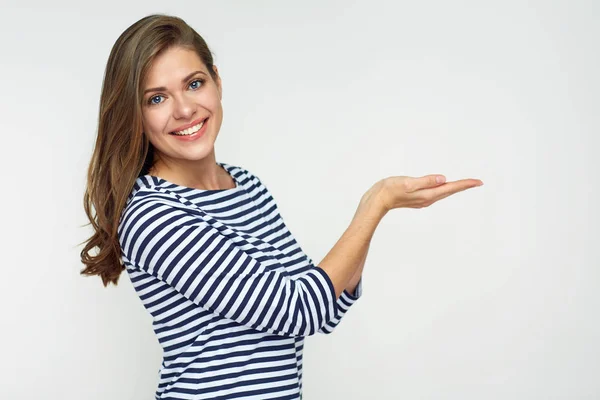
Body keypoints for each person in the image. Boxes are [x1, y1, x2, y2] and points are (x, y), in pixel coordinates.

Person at [80, 14, 483, 400]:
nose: (184, 109)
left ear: (217, 82)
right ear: (136, 115)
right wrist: (376, 204)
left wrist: (379, 209)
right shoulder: (154, 215)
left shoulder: (246, 186)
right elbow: (299, 309)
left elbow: (325, 309)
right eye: (156, 98)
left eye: (195, 83)